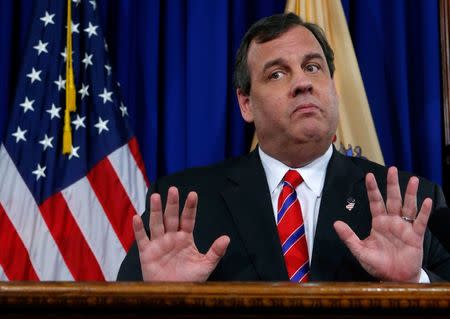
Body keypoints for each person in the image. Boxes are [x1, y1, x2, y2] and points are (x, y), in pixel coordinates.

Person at [117, 13, 450, 282]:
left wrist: (414, 283)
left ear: (333, 89)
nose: (303, 83)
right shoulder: (185, 205)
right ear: (246, 104)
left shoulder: (412, 203)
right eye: (277, 74)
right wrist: (164, 298)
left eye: (312, 67)